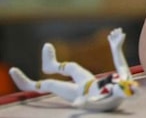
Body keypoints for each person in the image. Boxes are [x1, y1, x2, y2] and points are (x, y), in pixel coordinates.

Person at [9, 28, 138, 112]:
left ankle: (28, 85)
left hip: (80, 92)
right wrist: (116, 47)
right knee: (73, 67)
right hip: (89, 81)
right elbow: (121, 66)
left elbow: (94, 104)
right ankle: (52, 65)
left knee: (52, 84)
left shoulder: (110, 100)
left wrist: (83, 103)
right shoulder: (125, 80)